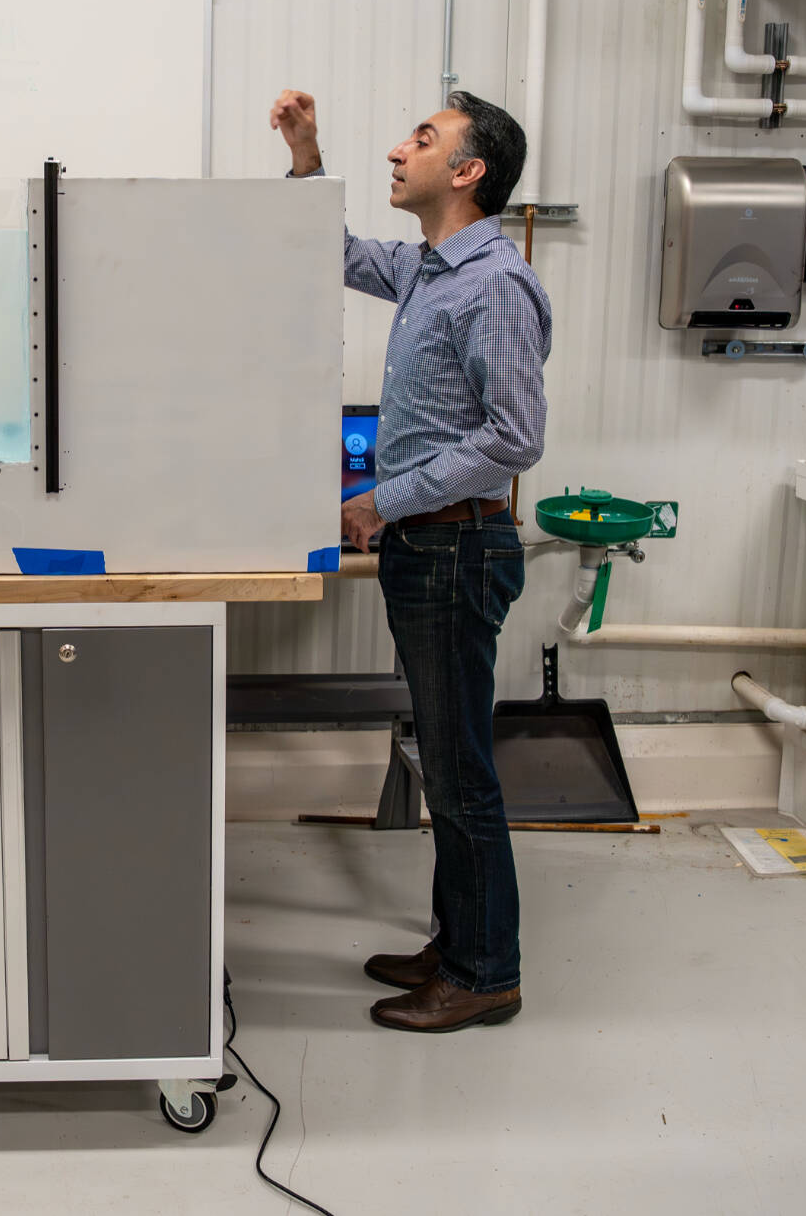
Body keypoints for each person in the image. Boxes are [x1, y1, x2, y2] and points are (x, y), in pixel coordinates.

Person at [272, 87, 551, 1034]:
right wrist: (306, 154)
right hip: (431, 546)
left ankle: (486, 972)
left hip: (456, 545)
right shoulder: (430, 269)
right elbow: (332, 250)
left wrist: (381, 501)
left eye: (422, 140)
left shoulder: (494, 283)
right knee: (445, 758)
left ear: (468, 172)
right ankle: (459, 939)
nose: (399, 150)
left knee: (460, 771)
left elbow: (514, 438)